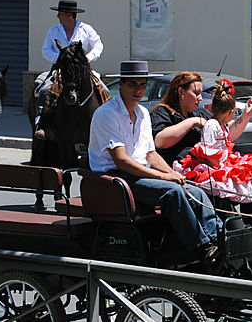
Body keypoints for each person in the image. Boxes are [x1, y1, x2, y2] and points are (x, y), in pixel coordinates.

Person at [88, 60, 222, 266]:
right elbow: (122, 160)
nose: (138, 90)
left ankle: (219, 239)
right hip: (114, 180)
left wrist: (175, 175)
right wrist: (164, 177)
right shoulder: (107, 114)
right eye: (133, 84)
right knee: (173, 193)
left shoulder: (142, 113)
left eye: (142, 85)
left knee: (195, 191)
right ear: (121, 84)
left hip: (138, 174)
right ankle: (202, 248)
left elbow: (150, 154)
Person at [175, 79, 252, 206]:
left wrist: (246, 115)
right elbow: (207, 151)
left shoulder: (222, 125)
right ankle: (243, 219)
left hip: (221, 163)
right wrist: (223, 165)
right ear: (231, 111)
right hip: (213, 167)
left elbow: (227, 140)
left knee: (249, 174)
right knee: (239, 179)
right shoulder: (212, 124)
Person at [34, 0, 103, 139]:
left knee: (103, 90)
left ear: (69, 15)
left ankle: (104, 122)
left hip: (82, 69)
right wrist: (62, 59)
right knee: (44, 90)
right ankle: (42, 123)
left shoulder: (86, 29)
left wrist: (88, 58)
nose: (57, 16)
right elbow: (45, 50)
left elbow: (98, 45)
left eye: (60, 13)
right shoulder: (53, 30)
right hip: (59, 69)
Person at [150, 71, 211, 165]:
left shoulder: (198, 114)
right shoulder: (162, 112)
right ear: (181, 92)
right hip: (172, 172)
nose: (200, 98)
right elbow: (159, 141)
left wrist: (242, 117)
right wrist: (191, 122)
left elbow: (223, 134)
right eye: (196, 93)